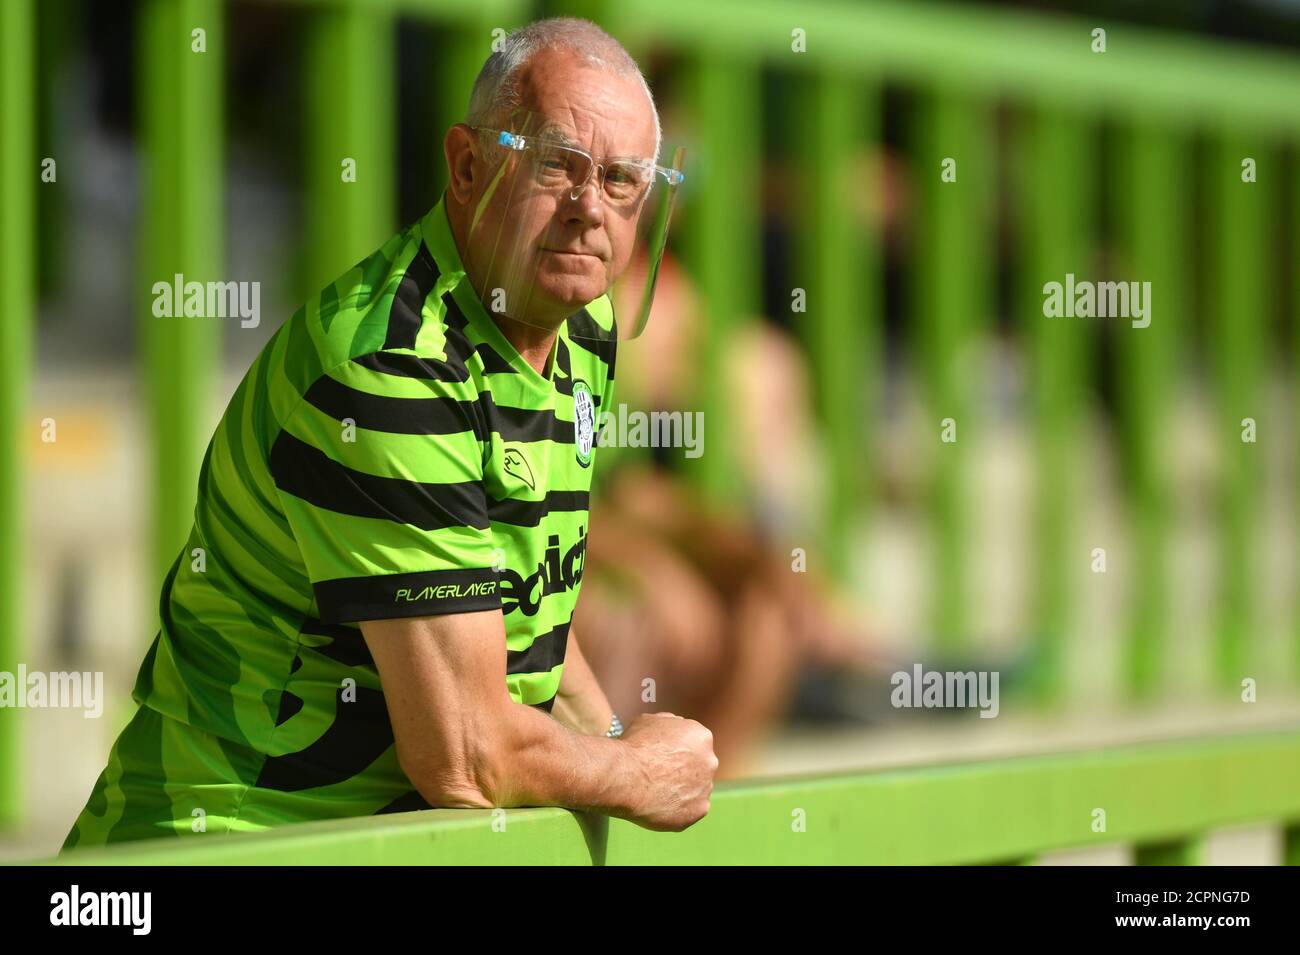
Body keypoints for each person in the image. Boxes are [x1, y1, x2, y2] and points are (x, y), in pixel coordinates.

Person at [62, 17, 716, 851]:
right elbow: (466, 757)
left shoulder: (580, 324)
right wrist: (637, 773)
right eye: (558, 165)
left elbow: (526, 620)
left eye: (624, 180)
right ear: (467, 165)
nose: (590, 209)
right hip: (219, 845)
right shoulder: (391, 368)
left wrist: (616, 739)